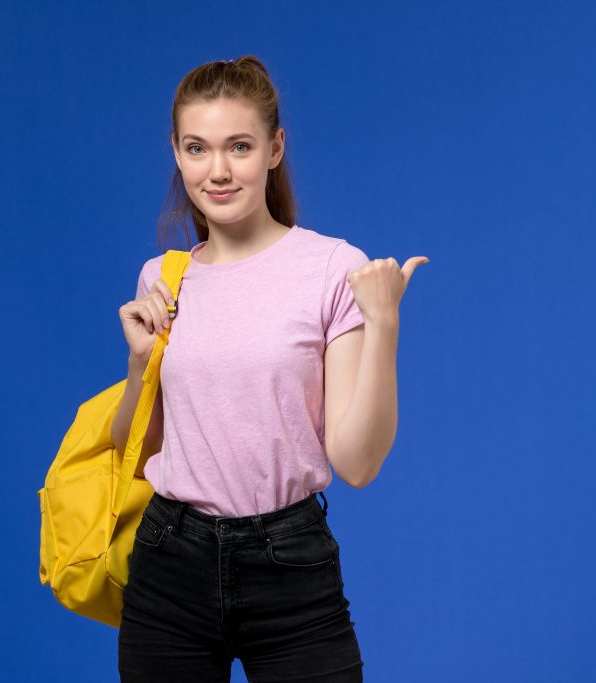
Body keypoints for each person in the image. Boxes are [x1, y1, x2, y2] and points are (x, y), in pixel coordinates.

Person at [110, 56, 429, 682]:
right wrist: (138, 364)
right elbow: (134, 449)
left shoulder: (332, 269)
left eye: (240, 146)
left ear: (274, 148)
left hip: (289, 566)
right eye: (198, 148)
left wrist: (385, 323)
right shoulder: (162, 279)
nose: (219, 170)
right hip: (169, 558)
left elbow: (357, 464)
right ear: (176, 153)